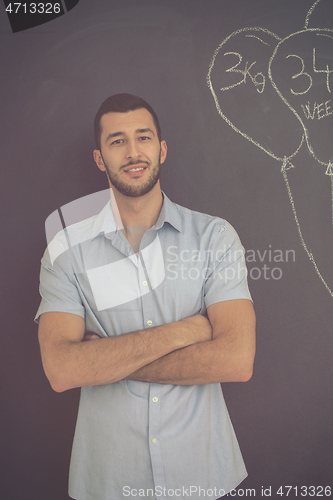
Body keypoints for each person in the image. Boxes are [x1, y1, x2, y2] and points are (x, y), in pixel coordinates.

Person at [35, 93, 256, 500]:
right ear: (100, 158)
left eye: (144, 137)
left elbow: (237, 360)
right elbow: (63, 370)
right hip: (107, 481)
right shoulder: (65, 250)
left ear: (162, 149)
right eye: (117, 140)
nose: (133, 151)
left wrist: (106, 362)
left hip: (202, 474)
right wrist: (186, 331)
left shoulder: (214, 237)